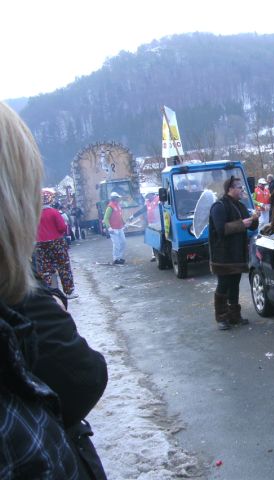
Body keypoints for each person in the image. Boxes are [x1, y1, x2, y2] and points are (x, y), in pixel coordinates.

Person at [0, 101, 107, 479]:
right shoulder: (13, 433)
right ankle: (68, 288)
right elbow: (83, 378)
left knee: (47, 270)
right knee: (60, 271)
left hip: (42, 251)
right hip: (54, 246)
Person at [209, 176, 259, 330]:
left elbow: (251, 227)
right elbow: (221, 229)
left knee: (235, 284)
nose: (242, 189)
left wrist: (255, 218)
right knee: (223, 285)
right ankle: (221, 317)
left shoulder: (240, 206)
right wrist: (241, 224)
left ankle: (235, 316)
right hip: (223, 255)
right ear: (230, 189)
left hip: (237, 254)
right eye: (239, 187)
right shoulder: (219, 206)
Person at [34, 189, 78, 298]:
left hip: (40, 244)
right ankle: (69, 292)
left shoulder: (34, 215)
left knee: (45, 269)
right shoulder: (54, 212)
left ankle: (48, 293)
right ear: (49, 200)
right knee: (63, 266)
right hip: (57, 243)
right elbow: (62, 227)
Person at [103, 191, 126, 264]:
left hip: (120, 228)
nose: (119, 199)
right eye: (118, 198)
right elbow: (106, 218)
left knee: (123, 242)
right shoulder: (110, 207)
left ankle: (120, 257)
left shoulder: (118, 205)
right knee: (117, 244)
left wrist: (123, 223)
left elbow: (119, 215)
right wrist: (109, 227)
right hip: (113, 229)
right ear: (114, 198)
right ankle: (116, 259)